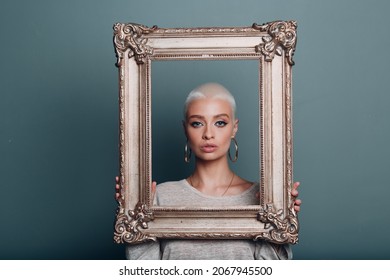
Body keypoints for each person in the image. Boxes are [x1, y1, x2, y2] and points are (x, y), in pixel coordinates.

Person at [115, 82, 301, 259]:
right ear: (185, 129)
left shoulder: (263, 197)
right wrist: (132, 212)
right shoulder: (159, 196)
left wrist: (281, 221)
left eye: (220, 122)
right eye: (197, 123)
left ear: (234, 128)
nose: (208, 134)